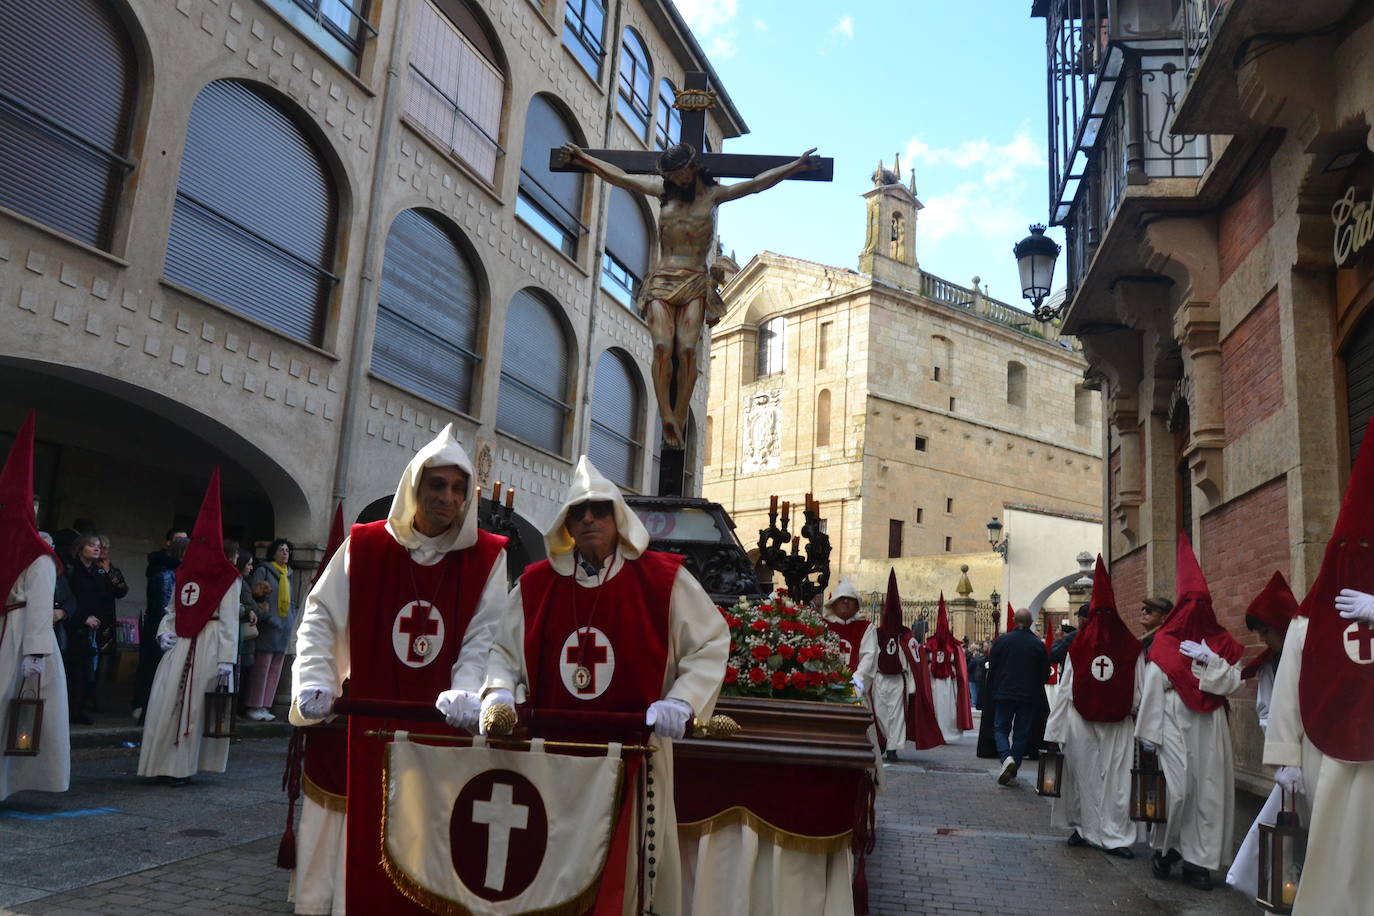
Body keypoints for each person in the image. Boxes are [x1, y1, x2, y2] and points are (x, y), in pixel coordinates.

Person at [481, 456, 728, 914]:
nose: (590, 518)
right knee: (554, 866)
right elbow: (502, 652)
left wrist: (682, 700)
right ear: (567, 524)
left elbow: (710, 643)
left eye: (599, 509)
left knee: (629, 875)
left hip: (636, 758)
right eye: (579, 511)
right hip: (553, 757)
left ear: (618, 517)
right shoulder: (537, 585)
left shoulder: (662, 580)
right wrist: (497, 691)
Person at [290, 424, 508, 913]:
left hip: (440, 730)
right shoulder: (366, 547)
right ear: (415, 486)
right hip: (366, 723)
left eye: (457, 488)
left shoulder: (486, 558)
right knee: (357, 839)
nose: (446, 497)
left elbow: (485, 635)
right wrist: (316, 680)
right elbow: (321, 614)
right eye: (436, 485)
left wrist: (467, 690)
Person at [560, 142, 819, 447]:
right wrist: (584, 158)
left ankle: (678, 417)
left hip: (695, 281)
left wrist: (795, 166)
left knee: (686, 351)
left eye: (680, 174)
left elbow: (757, 184)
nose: (676, 181)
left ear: (692, 168)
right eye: (671, 176)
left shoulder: (713, 195)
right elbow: (621, 178)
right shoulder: (662, 193)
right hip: (662, 281)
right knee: (660, 347)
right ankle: (666, 414)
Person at [1261, 416, 1374, 913]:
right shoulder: (1307, 625)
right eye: (1349, 551)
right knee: (1334, 854)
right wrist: (1286, 759)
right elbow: (1287, 691)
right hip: (1326, 763)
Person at [1134, 533, 1243, 891]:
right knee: (1178, 793)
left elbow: (1233, 683)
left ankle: (1200, 863)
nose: (1196, 608)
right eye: (1190, 602)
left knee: (1210, 795)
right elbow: (1153, 686)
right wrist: (1148, 737)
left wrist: (1211, 661)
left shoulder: (1221, 641)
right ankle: (1167, 850)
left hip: (1210, 727)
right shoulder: (1166, 641)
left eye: (1202, 602)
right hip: (1175, 725)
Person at [137, 470, 240, 782]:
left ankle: (181, 767)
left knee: (193, 707)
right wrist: (163, 632)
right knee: (164, 703)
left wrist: (225, 660)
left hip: (208, 646)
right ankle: (159, 765)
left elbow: (228, 621)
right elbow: (171, 609)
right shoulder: (184, 574)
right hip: (180, 644)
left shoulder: (228, 578)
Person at [1045, 557, 1144, 857]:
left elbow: (1065, 691)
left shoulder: (1078, 647)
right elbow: (1139, 690)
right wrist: (1139, 717)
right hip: (1117, 722)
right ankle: (1111, 835)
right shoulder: (1131, 646)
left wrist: (1055, 728)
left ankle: (1090, 829)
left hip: (1081, 719)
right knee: (1116, 779)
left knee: (1084, 776)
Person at [0, 413, 70, 801]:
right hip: (20, 636)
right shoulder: (39, 557)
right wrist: (37, 653)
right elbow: (41, 607)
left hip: (9, 628)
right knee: (14, 712)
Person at [1224, 571, 1298, 893]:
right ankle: (1277, 888)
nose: (1262, 639)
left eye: (1265, 631)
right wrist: (1278, 738)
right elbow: (1265, 708)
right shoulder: (1269, 664)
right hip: (1288, 759)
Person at [64, 532, 124, 723]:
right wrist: (82, 617)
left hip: (94, 628)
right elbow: (67, 597)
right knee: (70, 669)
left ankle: (77, 709)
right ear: (81, 548)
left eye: (100, 546)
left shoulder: (99, 572)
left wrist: (108, 569)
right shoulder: (70, 569)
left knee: (86, 672)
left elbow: (118, 591)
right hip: (73, 625)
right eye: (92, 545)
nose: (97, 549)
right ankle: (65, 710)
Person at [987, 608, 1050, 785]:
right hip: (1028, 696)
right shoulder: (1037, 644)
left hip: (1005, 692)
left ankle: (1006, 758)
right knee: (1021, 734)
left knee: (1000, 728)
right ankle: (1013, 770)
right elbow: (1045, 673)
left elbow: (992, 667)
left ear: (1014, 621)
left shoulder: (1002, 640)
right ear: (1030, 623)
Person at [133, 529, 187, 720]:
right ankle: (148, 713)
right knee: (155, 672)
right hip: (161, 628)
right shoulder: (165, 573)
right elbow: (166, 606)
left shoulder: (171, 571)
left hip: (161, 626)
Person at [870, 568, 919, 761]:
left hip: (898, 680)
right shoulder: (876, 634)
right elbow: (871, 655)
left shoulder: (906, 635)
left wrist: (913, 683)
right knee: (881, 712)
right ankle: (884, 740)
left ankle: (892, 748)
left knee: (898, 714)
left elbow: (912, 660)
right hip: (880, 678)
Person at [246, 538, 296, 721]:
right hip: (268, 626)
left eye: (287, 551)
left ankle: (266, 705)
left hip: (284, 627)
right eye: (281, 550)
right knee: (262, 668)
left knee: (275, 668)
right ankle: (254, 704)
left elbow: (291, 602)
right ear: (273, 553)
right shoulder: (264, 570)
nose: (285, 553)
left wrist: (291, 619)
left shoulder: (288, 574)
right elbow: (257, 594)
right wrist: (267, 616)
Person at [924, 593, 973, 742]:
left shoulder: (934, 644)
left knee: (945, 707)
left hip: (946, 683)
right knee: (943, 707)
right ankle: (938, 732)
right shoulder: (951, 645)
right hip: (941, 682)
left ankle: (939, 732)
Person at [821, 577, 876, 696]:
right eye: (841, 598)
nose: (845, 601)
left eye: (850, 599)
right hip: (824, 689)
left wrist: (853, 687)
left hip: (854, 691)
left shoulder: (866, 628)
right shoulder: (822, 626)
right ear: (833, 603)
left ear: (857, 605)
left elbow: (868, 659)